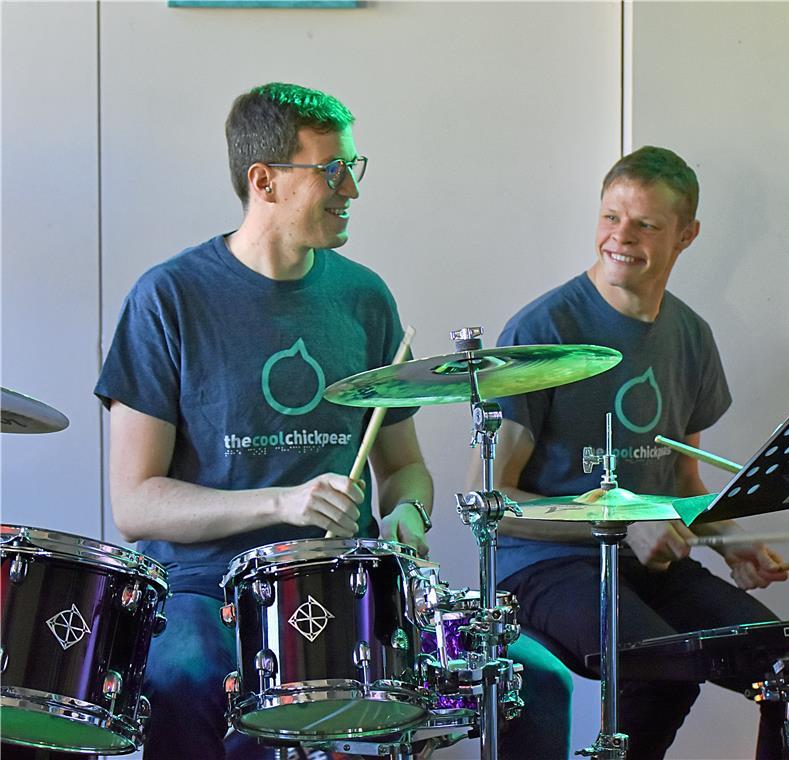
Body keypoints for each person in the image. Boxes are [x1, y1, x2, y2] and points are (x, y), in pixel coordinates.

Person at [95, 82, 569, 759]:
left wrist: (408, 518)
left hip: (350, 585)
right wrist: (283, 501)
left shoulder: (364, 298)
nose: (351, 189)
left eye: (355, 167)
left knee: (534, 679)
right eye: (332, 170)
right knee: (187, 679)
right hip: (205, 588)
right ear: (265, 181)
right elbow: (135, 503)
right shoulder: (168, 298)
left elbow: (403, 468)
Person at [480, 146, 789, 759]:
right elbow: (496, 504)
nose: (621, 236)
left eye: (646, 224)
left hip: (650, 564)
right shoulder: (541, 332)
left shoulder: (690, 336)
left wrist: (728, 536)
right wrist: (620, 521)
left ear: (686, 236)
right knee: (666, 668)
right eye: (611, 217)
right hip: (544, 567)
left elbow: (684, 480)